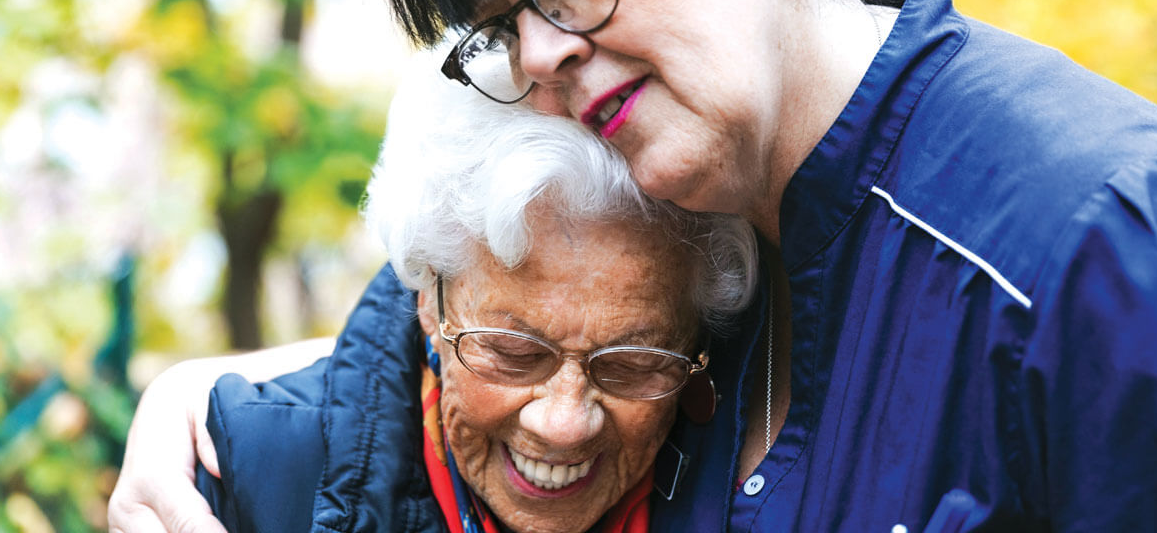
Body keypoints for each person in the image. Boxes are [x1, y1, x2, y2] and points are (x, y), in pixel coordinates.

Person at [112, 0, 1157, 530]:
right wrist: (205, 403)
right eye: (498, 25)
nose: (539, 53)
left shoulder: (1098, 231)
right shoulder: (708, 226)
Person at [179, 64, 758, 531]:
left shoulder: (763, 479)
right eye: (513, 351)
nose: (563, 424)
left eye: (634, 365)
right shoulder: (251, 477)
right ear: (430, 301)